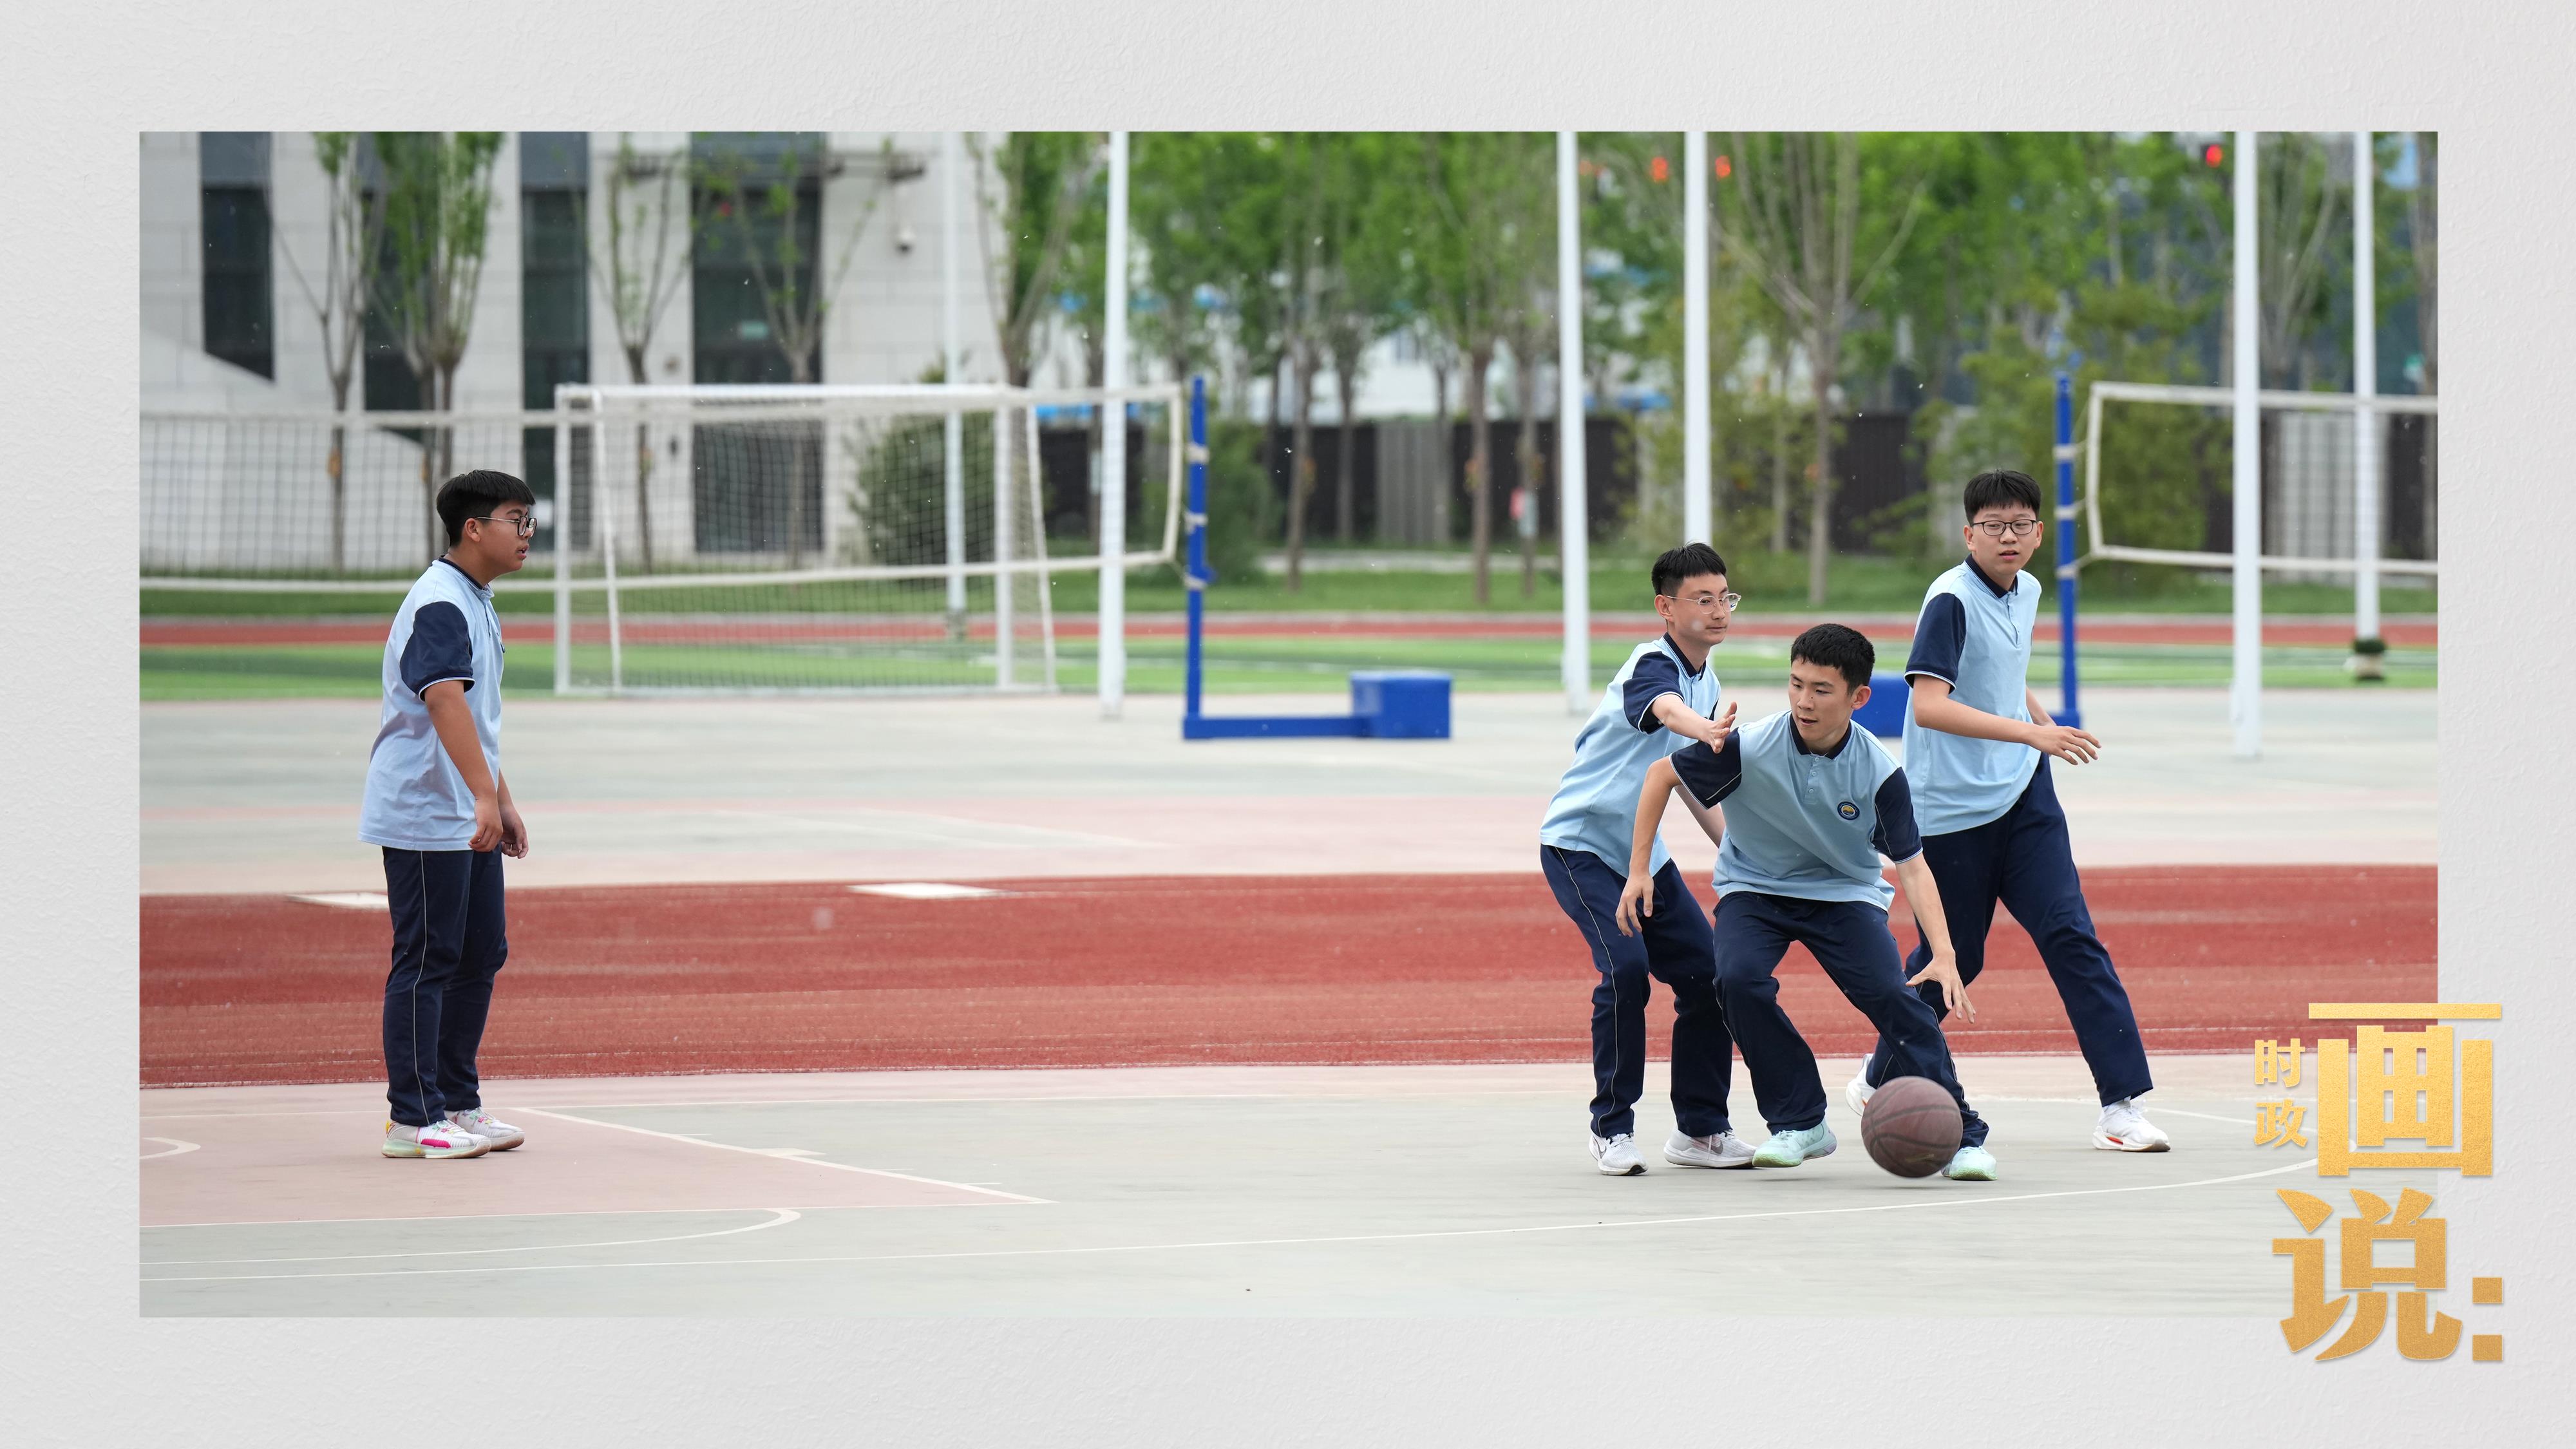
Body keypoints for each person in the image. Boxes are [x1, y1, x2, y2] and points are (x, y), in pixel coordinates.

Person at [1850, 468, 2168, 1152]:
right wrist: (2033, 735)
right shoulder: (1949, 600)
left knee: (2070, 935)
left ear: (2038, 534)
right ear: (1968, 534)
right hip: (1953, 814)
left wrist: (2037, 722)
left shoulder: (2027, 589)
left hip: (2025, 797)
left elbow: (2004, 676)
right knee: (1954, 958)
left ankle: (2121, 1106)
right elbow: (1928, 705)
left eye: (2021, 525)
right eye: (1993, 527)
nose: (2008, 537)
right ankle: (1882, 1071)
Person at [1621, 623, 1998, 1180]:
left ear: (1858, 698)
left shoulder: (1879, 771)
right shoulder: (1750, 745)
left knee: (1893, 995)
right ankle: (1801, 1121)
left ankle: (1965, 1135)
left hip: (1844, 893)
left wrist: (1942, 952)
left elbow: (1913, 867)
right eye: (1796, 684)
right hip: (1755, 888)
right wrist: (1637, 870)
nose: (1803, 700)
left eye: (1821, 689)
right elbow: (1661, 774)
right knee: (1736, 980)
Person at [1539, 544, 1748, 1175]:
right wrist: (1705, 729)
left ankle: (1700, 1130)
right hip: (1579, 847)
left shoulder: (1705, 680)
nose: (1717, 611)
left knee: (1712, 977)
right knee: (1625, 970)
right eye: (1701, 599)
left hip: (1641, 855)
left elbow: (1687, 783)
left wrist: (1739, 852)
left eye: (1724, 597)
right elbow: (1664, 711)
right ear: (1665, 607)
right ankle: (1611, 1128)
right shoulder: (1650, 666)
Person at [360, 469, 536, 1160]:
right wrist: (483, 796)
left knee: (480, 951)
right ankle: (413, 1117)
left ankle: (457, 1103)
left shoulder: (475, 598)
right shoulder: (440, 601)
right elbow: (443, 702)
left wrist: (503, 796)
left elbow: (475, 720)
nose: (526, 534)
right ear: (473, 528)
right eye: (515, 519)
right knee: (428, 956)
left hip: (464, 807)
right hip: (427, 812)